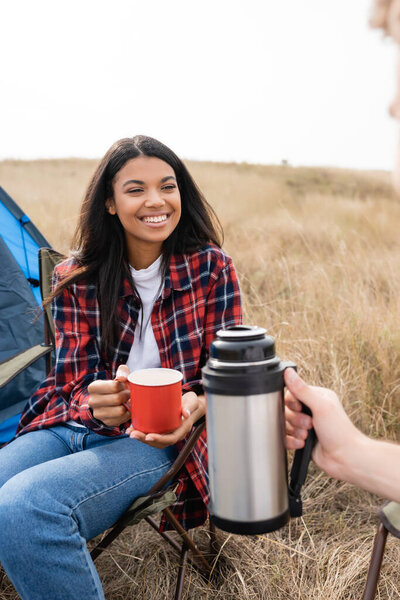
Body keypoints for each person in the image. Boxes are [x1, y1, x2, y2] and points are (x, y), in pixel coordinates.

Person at [0, 135, 242, 600]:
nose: (156, 201)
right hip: (67, 426)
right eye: (135, 189)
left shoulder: (211, 268)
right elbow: (70, 380)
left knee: (27, 507)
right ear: (109, 203)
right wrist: (96, 403)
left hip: (157, 437)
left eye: (167, 186)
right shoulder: (77, 275)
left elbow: (226, 374)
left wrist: (195, 405)